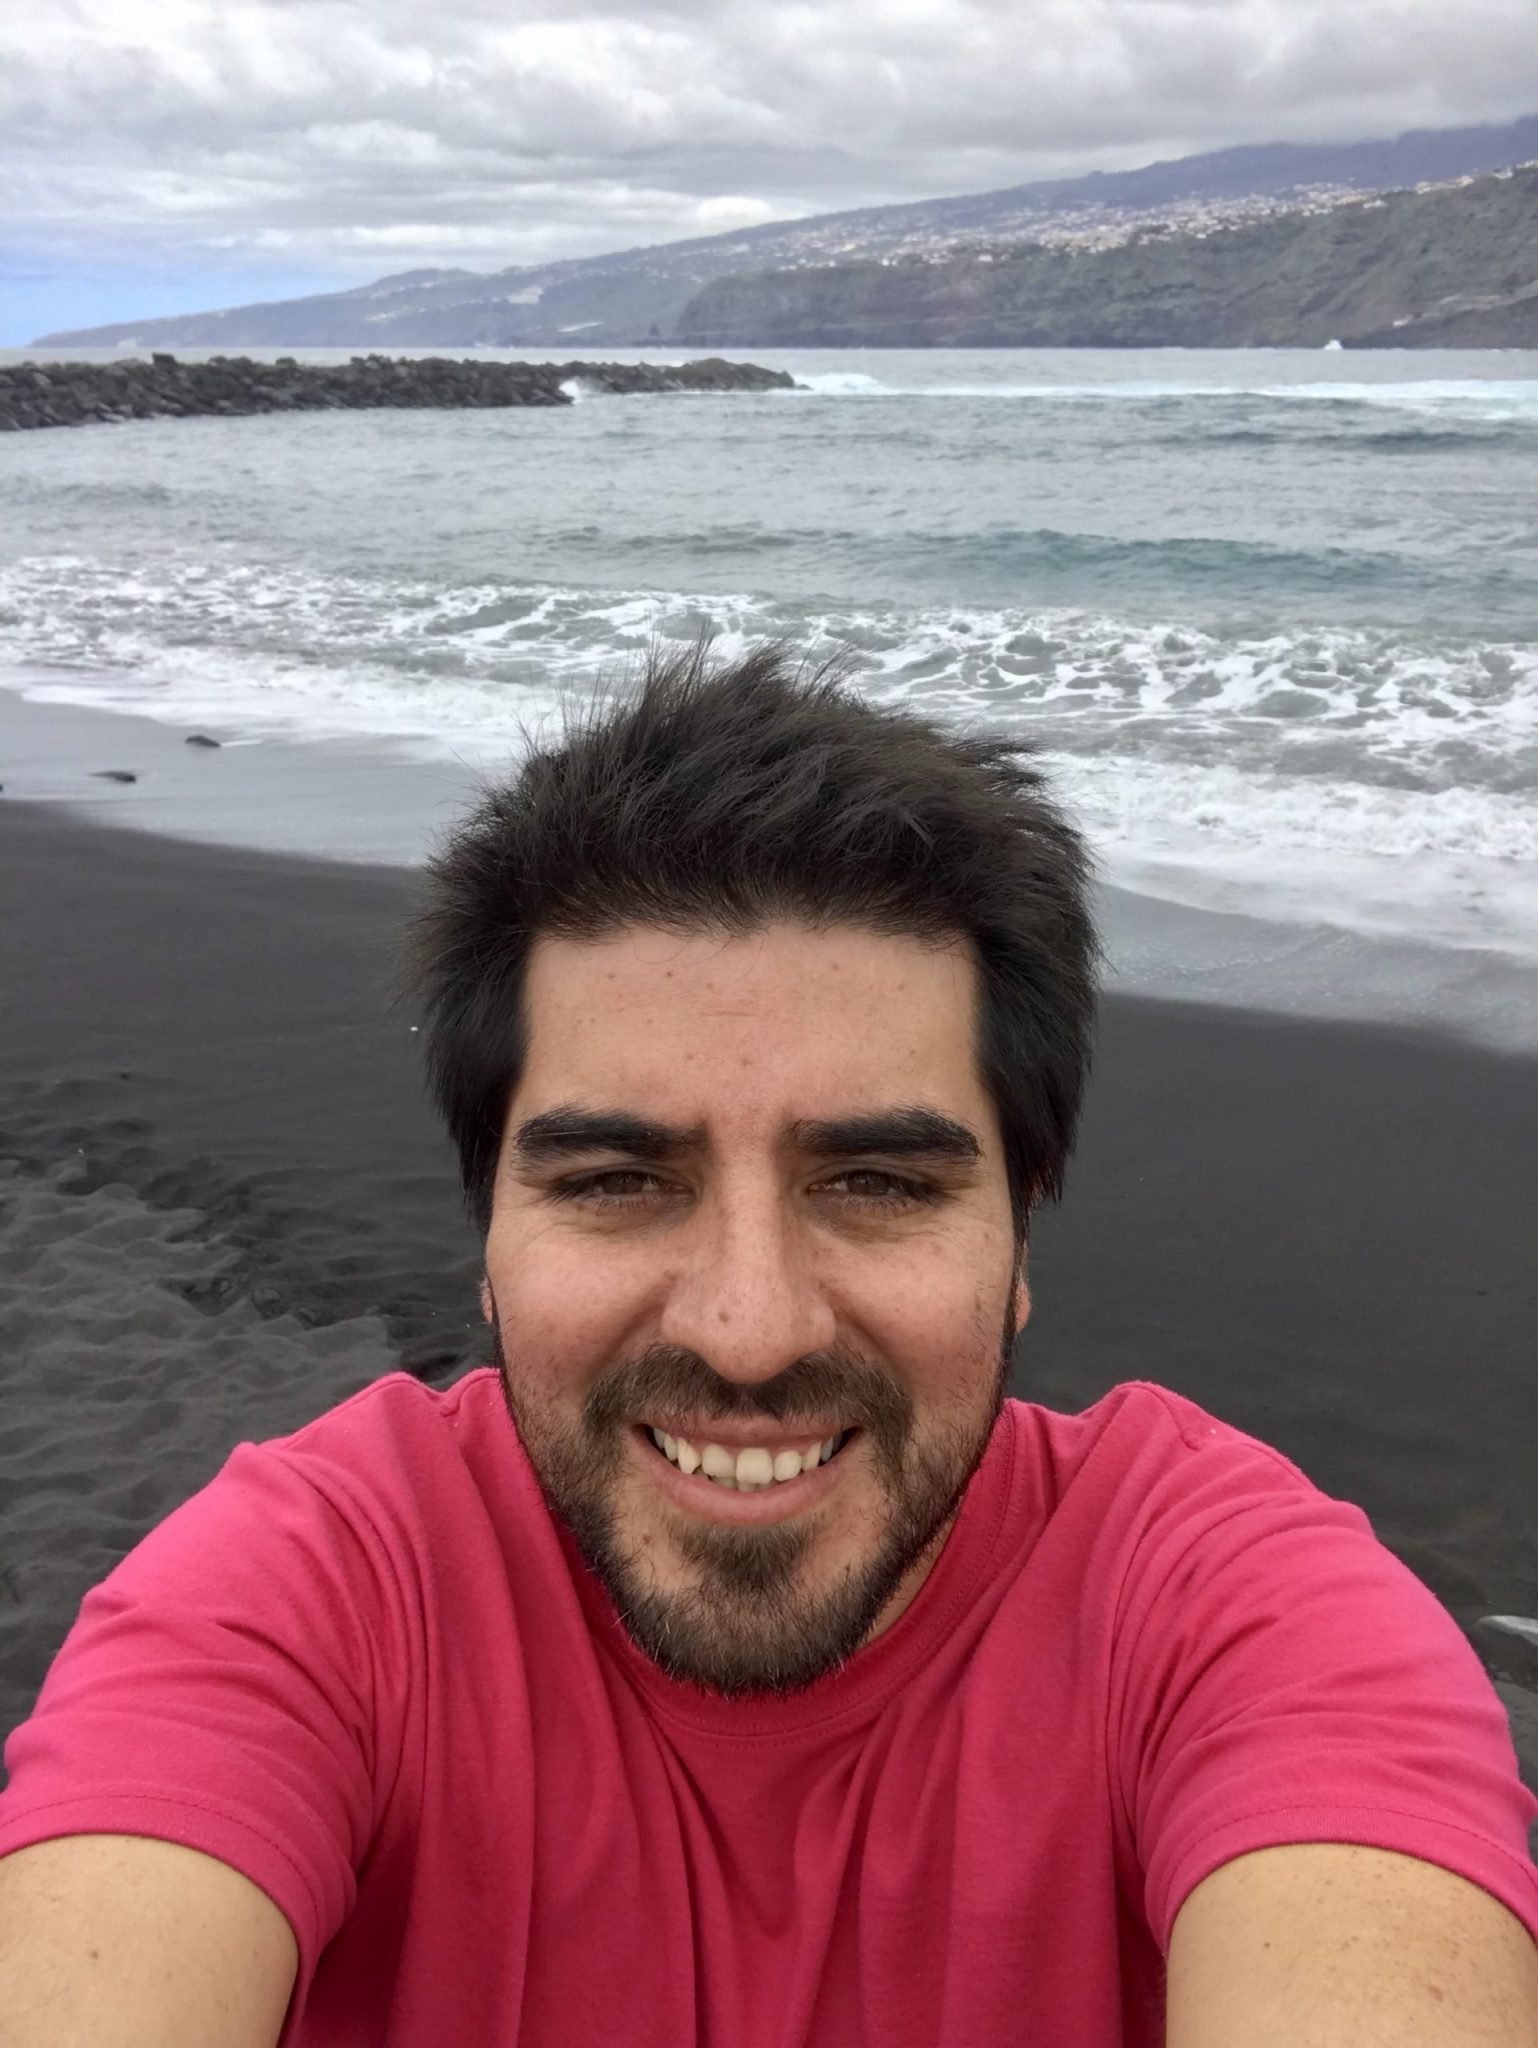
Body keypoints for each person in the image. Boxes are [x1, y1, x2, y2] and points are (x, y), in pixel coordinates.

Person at [1, 643, 1535, 2047]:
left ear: (1019, 1241)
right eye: (616, 1182)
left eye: (876, 1184)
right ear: (489, 1244)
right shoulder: (318, 1589)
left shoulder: (1225, 1613)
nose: (746, 1332)